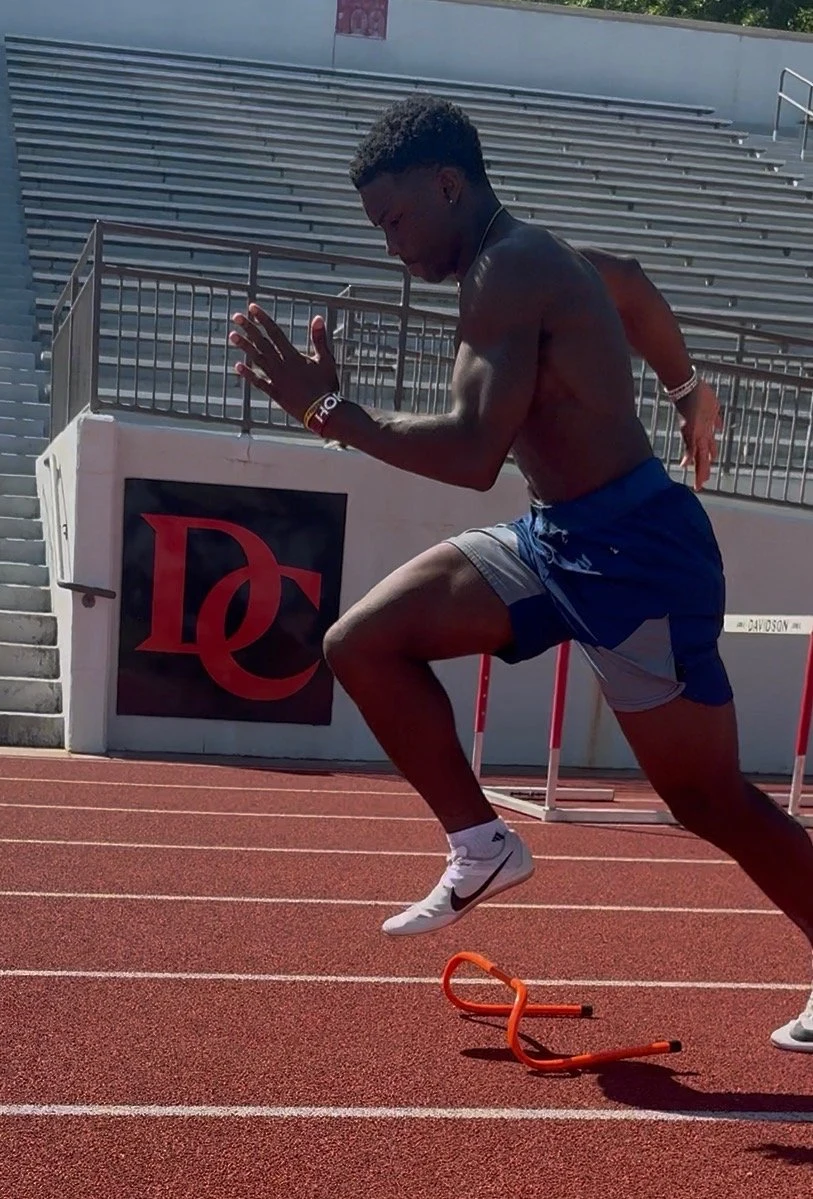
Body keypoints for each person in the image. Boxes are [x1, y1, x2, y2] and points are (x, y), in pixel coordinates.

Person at [229, 94, 813, 1054]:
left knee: (708, 801)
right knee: (362, 642)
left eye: (395, 219)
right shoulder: (536, 259)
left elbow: (469, 453)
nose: (389, 245)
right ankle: (481, 842)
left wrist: (325, 407)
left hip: (633, 553)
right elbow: (624, 283)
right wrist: (687, 388)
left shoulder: (506, 269)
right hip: (557, 536)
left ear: (448, 183)